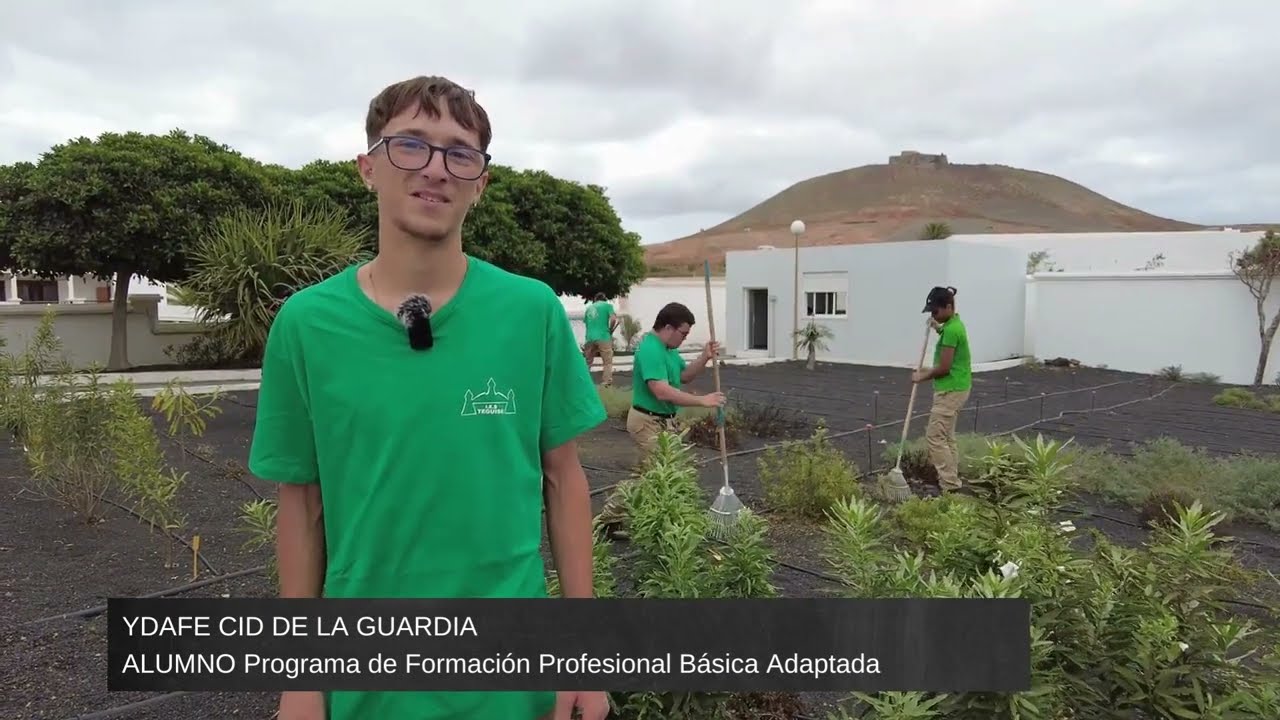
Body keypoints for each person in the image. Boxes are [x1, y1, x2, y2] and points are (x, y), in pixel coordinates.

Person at [248, 75, 609, 720]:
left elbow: (564, 479)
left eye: (459, 153)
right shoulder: (306, 325)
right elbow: (300, 503)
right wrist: (299, 681)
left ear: (480, 182)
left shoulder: (531, 312)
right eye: (411, 145)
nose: (436, 169)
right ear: (368, 167)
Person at [594, 302, 725, 539]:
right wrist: (703, 401)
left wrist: (704, 356)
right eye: (683, 333)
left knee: (654, 474)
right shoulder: (650, 350)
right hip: (647, 421)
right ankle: (609, 520)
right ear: (668, 327)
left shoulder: (668, 350)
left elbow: (684, 376)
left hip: (665, 422)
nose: (684, 339)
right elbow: (661, 391)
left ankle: (614, 520)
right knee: (659, 474)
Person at [911, 286, 972, 494]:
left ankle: (950, 486)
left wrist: (922, 376)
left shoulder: (953, 330)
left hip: (951, 390)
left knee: (935, 437)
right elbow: (946, 332)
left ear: (948, 306)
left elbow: (944, 367)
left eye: (935, 311)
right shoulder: (952, 325)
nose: (933, 314)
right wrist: (937, 326)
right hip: (957, 387)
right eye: (930, 312)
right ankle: (952, 481)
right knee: (947, 437)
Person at [582, 292, 618, 386]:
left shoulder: (589, 308)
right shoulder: (607, 306)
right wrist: (610, 329)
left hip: (589, 337)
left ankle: (583, 381)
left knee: (587, 361)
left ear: (595, 299)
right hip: (603, 336)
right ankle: (606, 381)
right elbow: (613, 319)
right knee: (607, 361)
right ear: (604, 299)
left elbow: (586, 323)